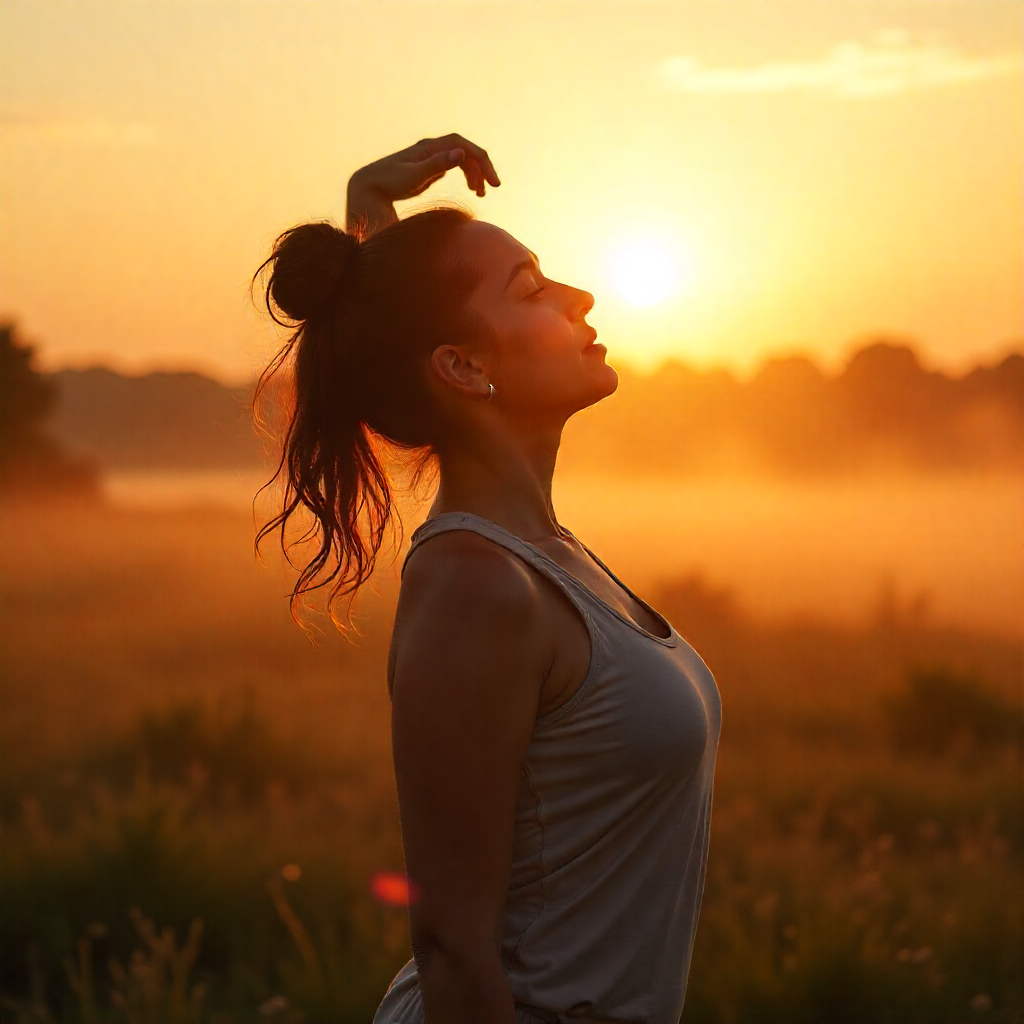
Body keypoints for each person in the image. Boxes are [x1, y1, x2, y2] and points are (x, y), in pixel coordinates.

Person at [255, 134, 721, 1024]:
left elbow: (403, 321)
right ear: (465, 368)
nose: (579, 297)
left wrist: (367, 211)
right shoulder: (477, 588)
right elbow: (451, 948)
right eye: (533, 289)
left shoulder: (542, 551)